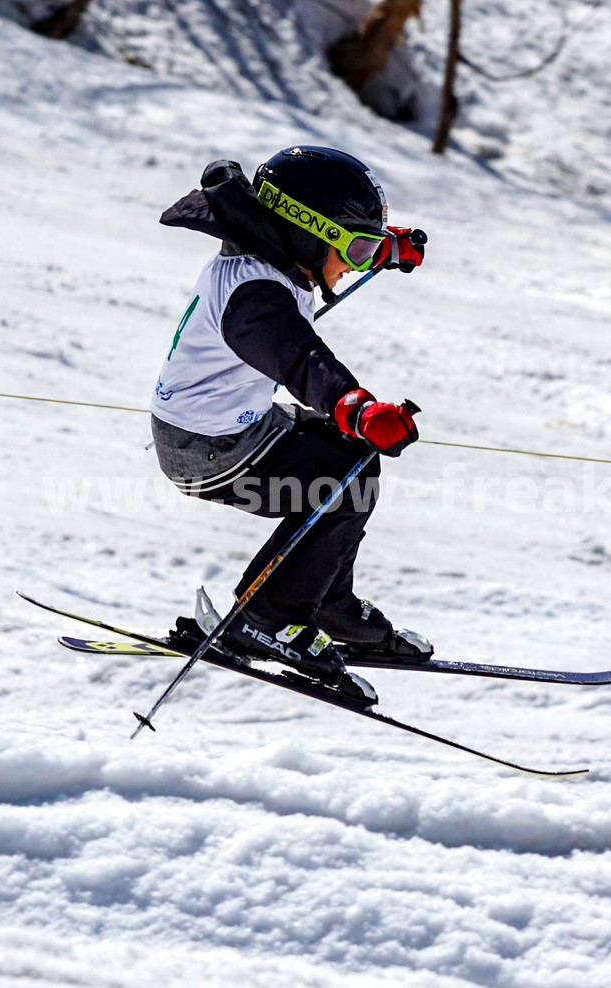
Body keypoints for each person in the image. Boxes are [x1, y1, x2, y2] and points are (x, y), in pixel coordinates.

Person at [149, 145, 431, 703]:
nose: (357, 261)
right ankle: (268, 618)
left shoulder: (275, 254)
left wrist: (384, 246)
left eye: (368, 246)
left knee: (350, 462)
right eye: (355, 247)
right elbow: (302, 360)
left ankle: (323, 602)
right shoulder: (255, 294)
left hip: (229, 427)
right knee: (339, 482)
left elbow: (324, 251)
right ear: (304, 233)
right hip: (209, 448)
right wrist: (357, 407)